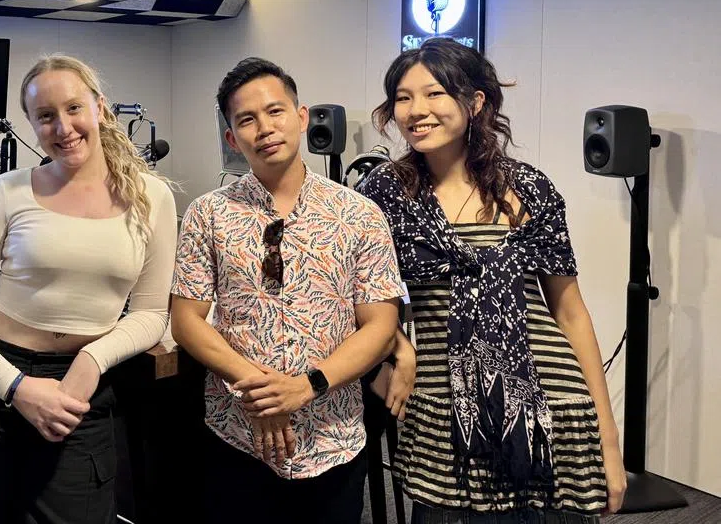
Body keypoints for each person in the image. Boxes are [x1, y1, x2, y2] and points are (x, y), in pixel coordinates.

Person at [356, 38, 627, 522]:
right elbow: (358, 294)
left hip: (549, 407)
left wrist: (609, 441)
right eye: (402, 97)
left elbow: (570, 313)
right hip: (445, 406)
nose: (417, 110)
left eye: (435, 93)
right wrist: (397, 346)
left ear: (475, 101)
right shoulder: (383, 192)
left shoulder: (529, 188)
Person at [0, 55, 177, 524]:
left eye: (74, 108)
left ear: (100, 109)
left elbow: (149, 314)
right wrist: (15, 387)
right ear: (32, 125)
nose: (63, 127)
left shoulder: (152, 197)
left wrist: (91, 360)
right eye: (45, 116)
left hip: (77, 386)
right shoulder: (8, 190)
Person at [171, 57, 405, 523]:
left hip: (332, 437)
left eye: (275, 112)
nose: (264, 128)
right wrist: (260, 393)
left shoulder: (358, 213)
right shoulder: (208, 213)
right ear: (231, 138)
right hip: (237, 433)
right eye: (246, 120)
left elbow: (380, 325)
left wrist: (305, 387)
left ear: (301, 117)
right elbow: (185, 320)